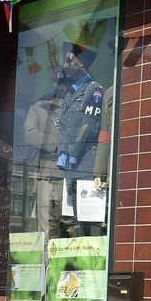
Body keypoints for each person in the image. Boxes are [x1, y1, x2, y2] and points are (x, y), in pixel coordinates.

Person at [55, 44, 106, 234]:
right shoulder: (71, 93)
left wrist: (73, 154)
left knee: (90, 220)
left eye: (70, 61)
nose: (65, 65)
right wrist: (62, 154)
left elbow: (88, 127)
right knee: (75, 218)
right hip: (70, 166)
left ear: (82, 63)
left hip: (85, 163)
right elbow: (62, 125)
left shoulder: (94, 91)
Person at [22, 69, 69, 236]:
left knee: (70, 223)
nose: (61, 86)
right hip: (47, 169)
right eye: (57, 82)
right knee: (46, 225)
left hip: (72, 172)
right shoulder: (41, 105)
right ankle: (46, 261)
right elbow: (30, 133)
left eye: (64, 82)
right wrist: (56, 143)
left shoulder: (77, 106)